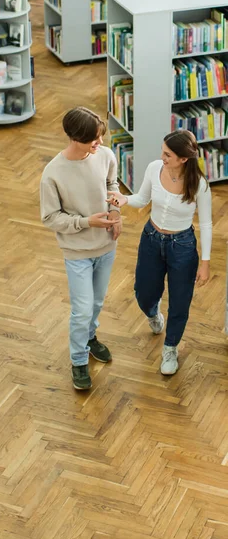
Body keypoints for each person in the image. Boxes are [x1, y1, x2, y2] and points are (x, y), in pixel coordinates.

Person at [106, 129, 212, 376]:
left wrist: (205, 262)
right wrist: (124, 200)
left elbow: (206, 224)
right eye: (163, 151)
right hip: (151, 239)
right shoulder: (155, 168)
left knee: (180, 302)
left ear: (183, 159)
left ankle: (170, 347)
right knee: (143, 292)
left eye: (168, 154)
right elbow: (142, 199)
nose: (162, 157)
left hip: (183, 247)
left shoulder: (199, 185)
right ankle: (154, 314)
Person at [40, 106, 122, 391]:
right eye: (93, 140)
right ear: (75, 138)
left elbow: (111, 184)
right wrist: (87, 222)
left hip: (106, 246)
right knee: (82, 308)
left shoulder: (106, 155)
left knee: (97, 303)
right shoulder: (53, 173)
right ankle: (78, 361)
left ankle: (90, 338)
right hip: (77, 253)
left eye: (100, 137)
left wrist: (116, 213)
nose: (99, 144)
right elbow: (51, 218)